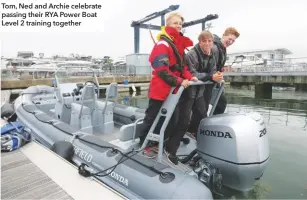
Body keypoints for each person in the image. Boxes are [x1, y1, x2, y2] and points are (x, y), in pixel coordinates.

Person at [138, 12, 198, 164]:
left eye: (180, 24)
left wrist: (191, 77)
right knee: (151, 118)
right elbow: (162, 70)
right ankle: (143, 144)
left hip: (173, 92)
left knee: (173, 120)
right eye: (175, 23)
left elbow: (182, 67)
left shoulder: (178, 46)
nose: (178, 26)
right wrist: (180, 81)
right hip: (160, 90)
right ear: (167, 25)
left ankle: (159, 143)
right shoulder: (163, 45)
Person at [184, 31, 224, 137]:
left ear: (212, 42)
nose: (207, 43)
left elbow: (213, 69)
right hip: (190, 89)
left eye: (209, 41)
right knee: (188, 114)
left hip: (202, 89)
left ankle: (195, 133)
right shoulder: (191, 54)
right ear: (200, 42)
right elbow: (193, 73)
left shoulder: (211, 53)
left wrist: (217, 75)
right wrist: (211, 76)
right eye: (204, 41)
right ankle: (187, 133)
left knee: (202, 111)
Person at [211, 27, 240, 115]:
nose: (231, 42)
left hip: (214, 80)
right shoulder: (215, 47)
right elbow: (210, 65)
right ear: (224, 35)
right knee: (220, 103)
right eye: (229, 39)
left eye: (233, 41)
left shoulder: (222, 48)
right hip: (210, 80)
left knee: (220, 103)